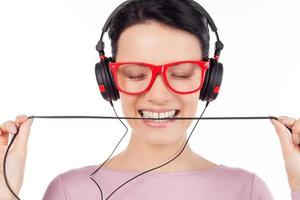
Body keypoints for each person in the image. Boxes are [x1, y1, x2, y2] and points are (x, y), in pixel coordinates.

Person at [1, 0, 300, 199]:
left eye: (182, 74)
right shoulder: (71, 191)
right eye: (134, 74)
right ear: (109, 80)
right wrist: (4, 189)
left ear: (209, 81)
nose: (157, 95)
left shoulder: (245, 191)